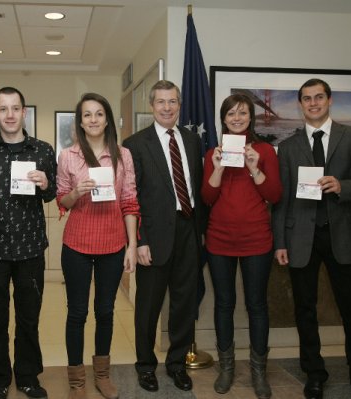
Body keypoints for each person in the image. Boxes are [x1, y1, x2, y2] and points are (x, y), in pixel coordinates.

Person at [272, 79, 351, 399]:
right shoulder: (288, 146)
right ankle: (314, 373)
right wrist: (280, 242)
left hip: (344, 235)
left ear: (329, 100)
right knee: (305, 309)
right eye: (307, 99)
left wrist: (343, 186)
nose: (313, 103)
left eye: (318, 97)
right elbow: (281, 200)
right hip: (301, 238)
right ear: (300, 104)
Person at [123, 80, 206, 393]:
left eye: (172, 102)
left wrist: (200, 233)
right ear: (152, 105)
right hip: (153, 236)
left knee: (184, 304)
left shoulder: (191, 140)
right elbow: (131, 196)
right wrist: (139, 240)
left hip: (188, 229)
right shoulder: (134, 144)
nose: (167, 108)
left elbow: (197, 187)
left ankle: (176, 365)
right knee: (148, 307)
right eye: (161, 102)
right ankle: (145, 367)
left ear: (179, 104)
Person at [57, 93, 140, 399]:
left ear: (107, 119)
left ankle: (102, 375)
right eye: (87, 115)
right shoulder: (68, 156)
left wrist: (132, 246)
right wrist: (76, 191)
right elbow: (61, 201)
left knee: (105, 311)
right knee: (76, 313)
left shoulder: (123, 155)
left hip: (113, 244)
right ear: (80, 121)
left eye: (99, 114)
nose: (93, 119)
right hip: (77, 244)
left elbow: (130, 202)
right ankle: (77, 379)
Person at [202, 94, 282, 398]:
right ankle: (227, 368)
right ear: (223, 119)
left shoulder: (264, 151)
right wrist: (218, 167)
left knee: (257, 305)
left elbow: (275, 195)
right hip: (219, 239)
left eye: (243, 113)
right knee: (224, 304)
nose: (237, 118)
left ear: (251, 118)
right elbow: (207, 199)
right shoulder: (213, 152)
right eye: (231, 113)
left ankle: (259, 372)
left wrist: (254, 166)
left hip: (257, 239)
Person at [0, 87, 56, 399]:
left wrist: (45, 183)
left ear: (24, 112)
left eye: (15, 108)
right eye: (3, 109)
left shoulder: (43, 150)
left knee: (28, 319)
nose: (9, 115)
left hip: (30, 249)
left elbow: (52, 194)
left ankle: (27, 377)